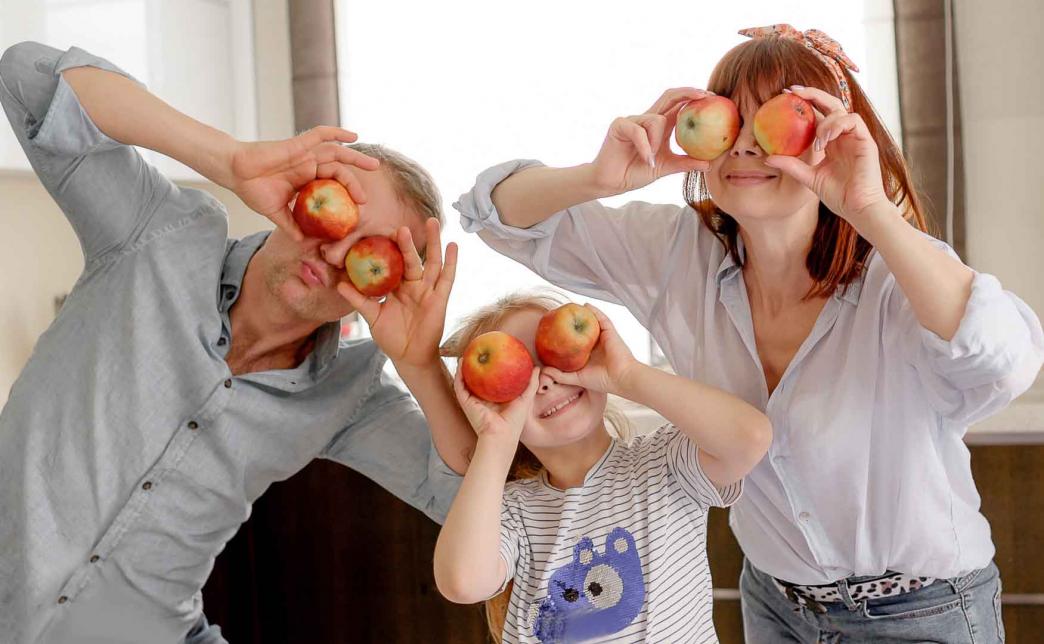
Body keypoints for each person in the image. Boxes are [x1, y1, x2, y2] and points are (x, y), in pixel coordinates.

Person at [455, 25, 1044, 643]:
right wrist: (598, 179)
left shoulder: (893, 277)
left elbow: (1005, 360)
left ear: (830, 137)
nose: (743, 145)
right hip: (774, 605)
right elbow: (493, 214)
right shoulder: (676, 253)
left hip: (923, 611)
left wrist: (871, 210)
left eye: (773, 122)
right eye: (731, 121)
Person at [0, 42, 474, 644]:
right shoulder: (157, 235)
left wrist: (421, 366)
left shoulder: (347, 394)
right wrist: (228, 158)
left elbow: (470, 505)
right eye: (335, 211)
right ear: (299, 192)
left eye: (367, 252)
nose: (333, 252)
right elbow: (27, 75)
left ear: (386, 285)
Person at [433, 291, 771, 642]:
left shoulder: (664, 463)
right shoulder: (513, 509)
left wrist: (627, 375)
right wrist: (495, 440)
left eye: (554, 357)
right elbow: (463, 583)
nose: (545, 380)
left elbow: (751, 437)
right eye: (520, 378)